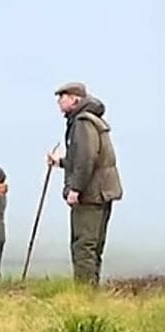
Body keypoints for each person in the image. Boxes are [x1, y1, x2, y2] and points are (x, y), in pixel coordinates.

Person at [47, 82, 123, 287]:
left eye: (62, 97)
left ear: (75, 99)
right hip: (103, 191)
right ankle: (91, 289)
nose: (59, 102)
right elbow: (83, 157)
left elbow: (86, 158)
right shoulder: (92, 120)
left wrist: (75, 189)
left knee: (83, 244)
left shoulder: (82, 123)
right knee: (94, 244)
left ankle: (84, 292)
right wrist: (61, 162)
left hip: (91, 193)